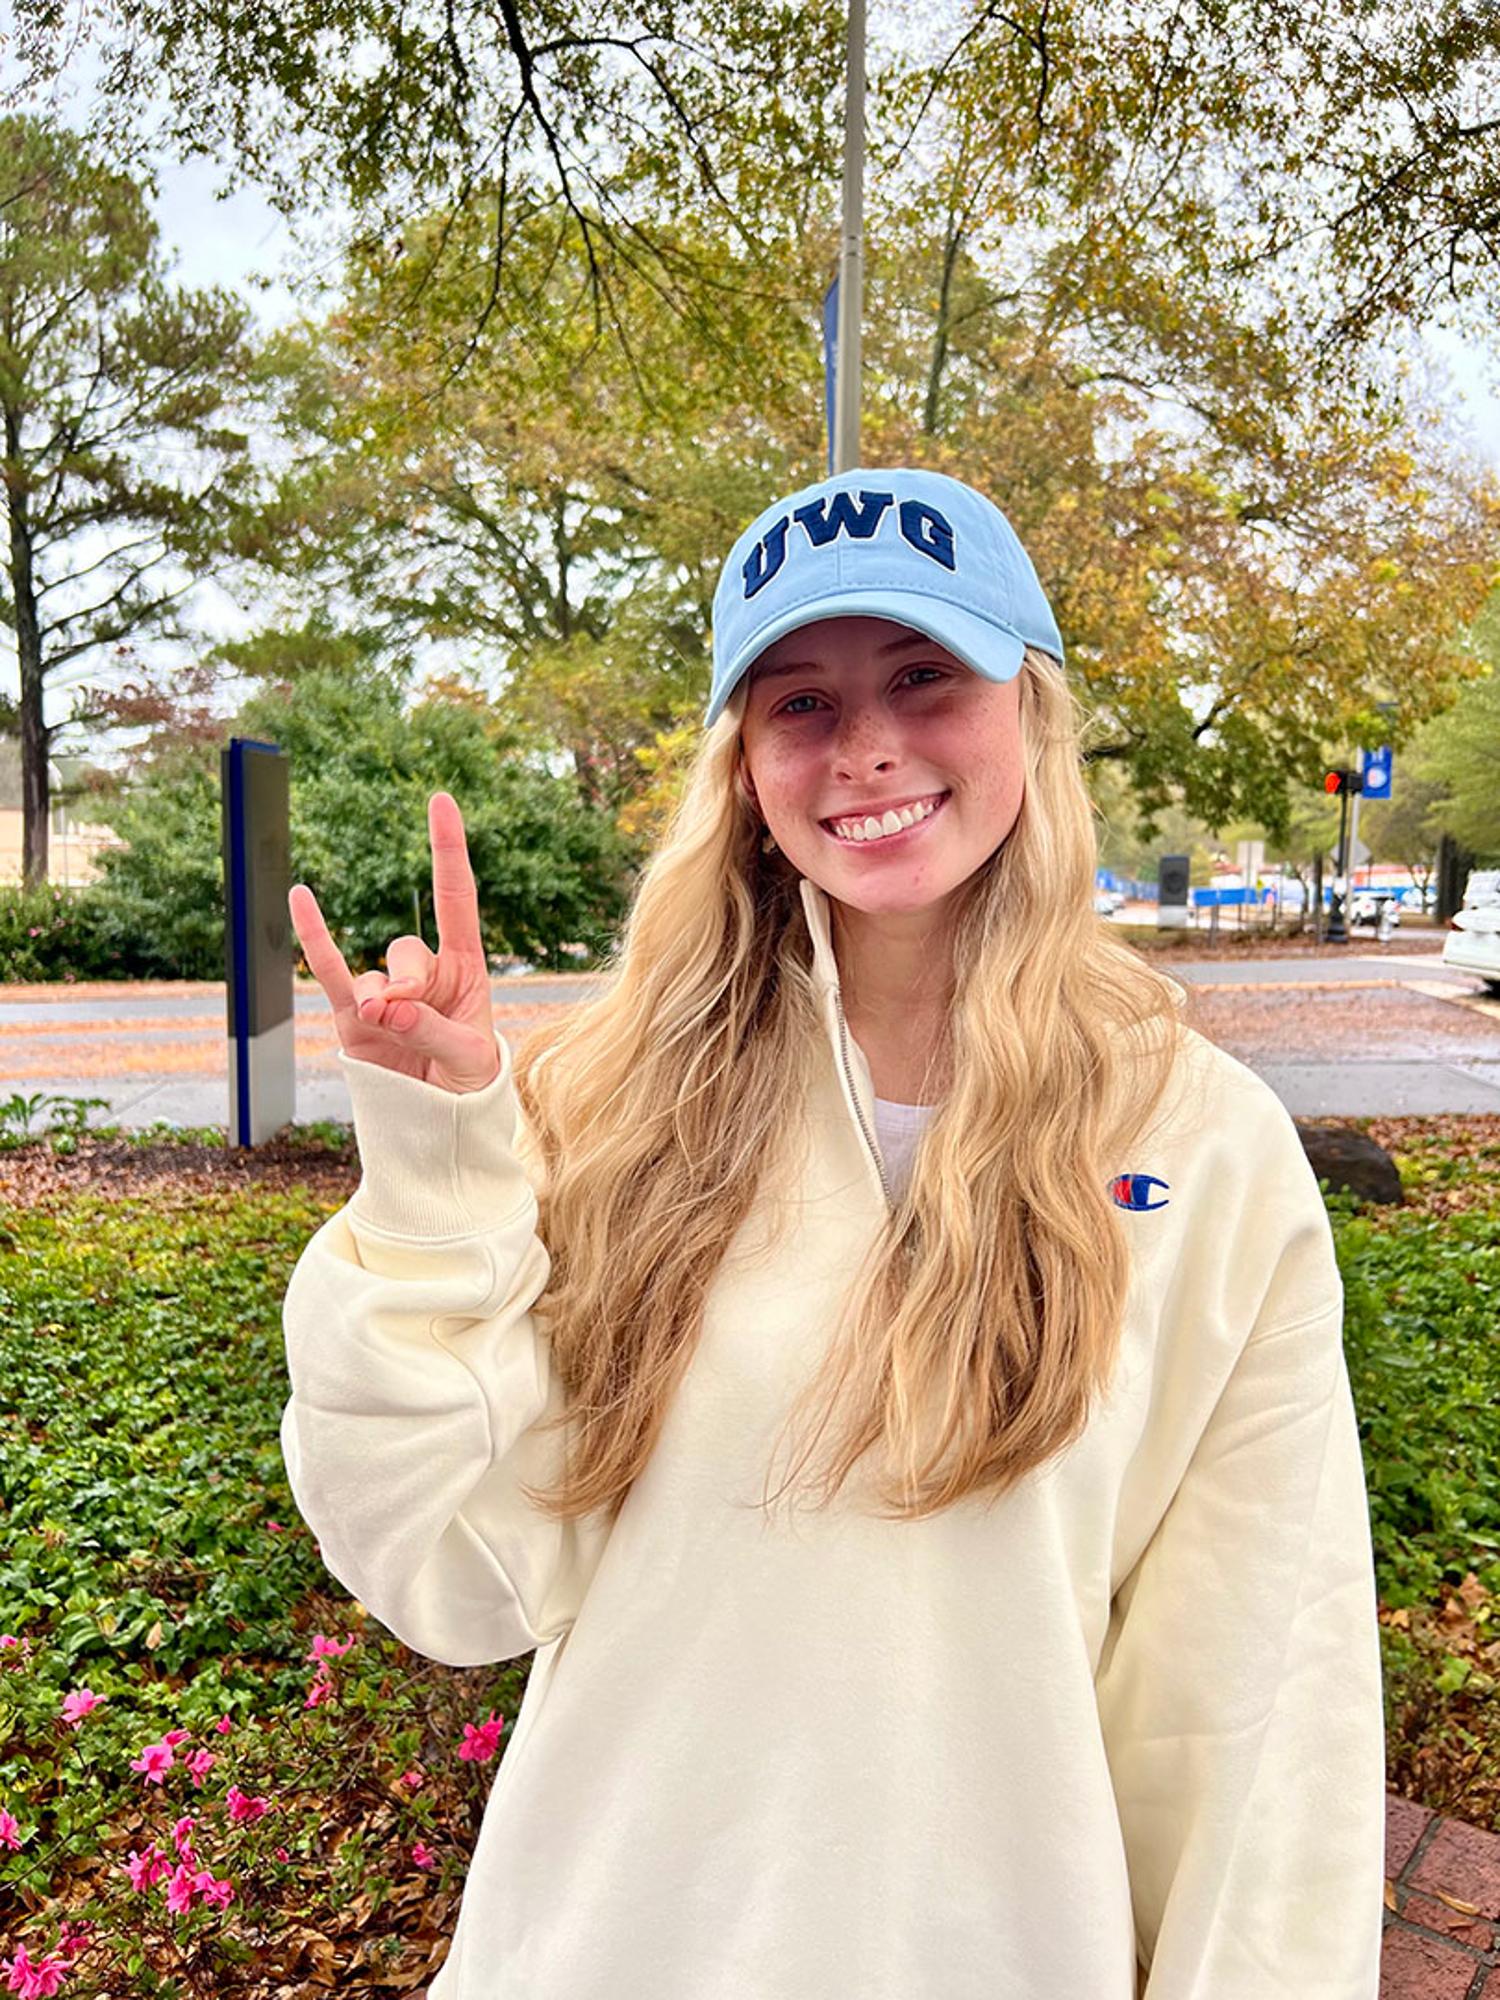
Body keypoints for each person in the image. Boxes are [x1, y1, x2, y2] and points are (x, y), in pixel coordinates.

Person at [280, 467, 1387, 2000]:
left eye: (924, 675)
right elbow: (457, 1583)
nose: (865, 744)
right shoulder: (605, 1103)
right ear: (744, 767)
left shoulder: (1204, 1145)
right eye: (799, 701)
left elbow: (1260, 1709)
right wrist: (434, 1174)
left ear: (1029, 712)